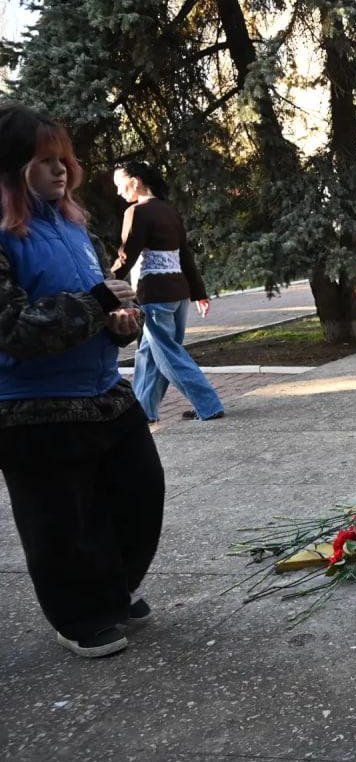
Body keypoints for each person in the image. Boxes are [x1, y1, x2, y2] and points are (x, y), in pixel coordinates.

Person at [0, 103, 165, 658]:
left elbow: (103, 302)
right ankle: (80, 616)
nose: (60, 171)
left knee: (140, 493)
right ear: (10, 165)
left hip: (102, 393)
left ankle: (112, 589)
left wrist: (122, 322)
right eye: (44, 160)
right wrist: (97, 304)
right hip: (32, 407)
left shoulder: (73, 226)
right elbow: (12, 329)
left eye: (64, 160)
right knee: (61, 521)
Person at [112, 161, 224, 422]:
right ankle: (143, 411)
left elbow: (126, 255)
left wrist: (104, 282)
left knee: (168, 355)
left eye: (120, 185)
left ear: (135, 182)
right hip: (179, 295)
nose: (118, 192)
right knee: (150, 354)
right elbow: (185, 256)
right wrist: (199, 293)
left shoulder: (137, 212)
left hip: (155, 296)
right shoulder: (169, 211)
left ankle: (209, 404)